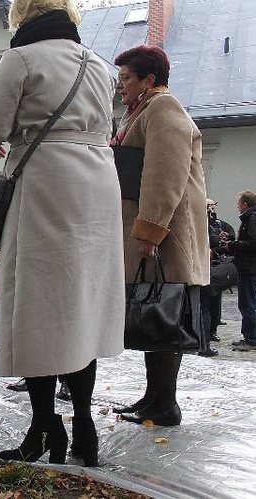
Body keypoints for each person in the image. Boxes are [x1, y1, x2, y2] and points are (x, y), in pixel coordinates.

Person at [0, 0, 125, 467]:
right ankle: (85, 426)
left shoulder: (21, 59)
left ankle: (43, 428)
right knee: (82, 303)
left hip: (45, 182)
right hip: (98, 184)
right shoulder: (99, 64)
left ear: (22, 16)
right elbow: (106, 125)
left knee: (38, 304)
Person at [110, 45, 209, 426]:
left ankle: (165, 405)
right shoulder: (144, 111)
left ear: (148, 80)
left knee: (164, 314)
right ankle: (154, 397)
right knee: (153, 314)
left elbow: (164, 173)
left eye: (125, 79)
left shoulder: (163, 109)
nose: (120, 87)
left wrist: (149, 232)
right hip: (156, 234)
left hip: (166, 237)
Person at [199, 198, 236, 356]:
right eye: (210, 206)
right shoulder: (203, 222)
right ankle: (204, 343)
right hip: (205, 270)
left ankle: (208, 336)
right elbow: (213, 243)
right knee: (205, 307)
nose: (213, 209)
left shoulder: (214, 222)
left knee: (210, 305)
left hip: (212, 270)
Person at [223, 191, 256, 352]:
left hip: (249, 268)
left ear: (244, 204)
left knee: (248, 303)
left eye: (238, 203)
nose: (237, 206)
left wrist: (234, 245)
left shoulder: (251, 218)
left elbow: (252, 243)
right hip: (248, 267)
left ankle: (251, 339)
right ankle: (250, 336)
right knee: (249, 302)